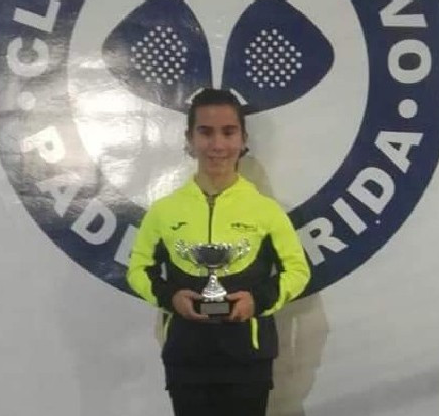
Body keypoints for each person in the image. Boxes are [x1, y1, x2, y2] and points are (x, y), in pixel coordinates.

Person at [127, 88, 310, 416]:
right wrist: (171, 298)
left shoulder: (266, 211)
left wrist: (258, 300)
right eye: (206, 132)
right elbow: (138, 269)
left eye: (228, 132)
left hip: (249, 358)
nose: (217, 145)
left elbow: (298, 271)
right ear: (190, 139)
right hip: (187, 358)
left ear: (243, 139)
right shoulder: (164, 212)